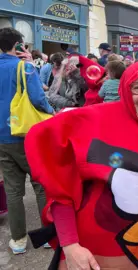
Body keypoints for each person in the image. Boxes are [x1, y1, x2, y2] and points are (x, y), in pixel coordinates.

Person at [25, 61, 138, 269]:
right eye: (137, 87)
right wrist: (70, 245)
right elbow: (61, 186)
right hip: (93, 258)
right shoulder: (92, 120)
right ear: (124, 88)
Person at [0, 27, 54, 254]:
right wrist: (53, 114)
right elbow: (39, 99)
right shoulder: (25, 67)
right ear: (19, 45)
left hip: (2, 137)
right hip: (25, 134)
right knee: (41, 185)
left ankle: (19, 241)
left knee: (12, 190)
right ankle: (46, 237)